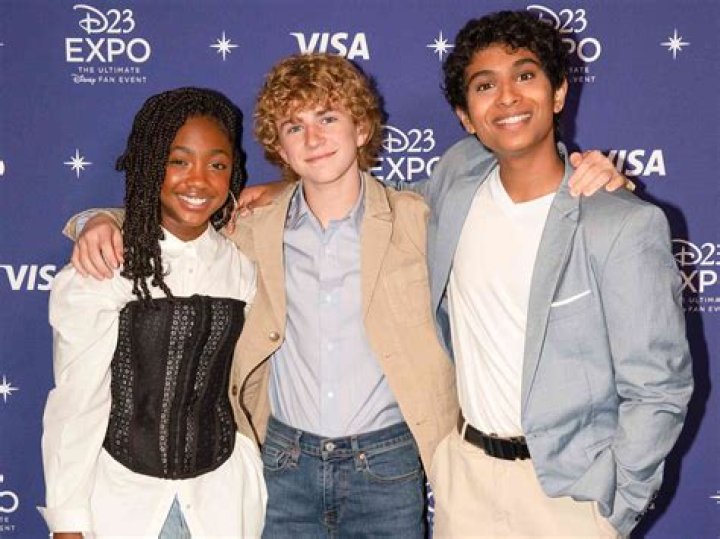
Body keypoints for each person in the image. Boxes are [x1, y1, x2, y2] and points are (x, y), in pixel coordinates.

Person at [62, 54, 459, 538]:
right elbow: (177, 224)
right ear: (279, 148)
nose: (313, 139)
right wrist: (98, 221)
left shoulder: (417, 220)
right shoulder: (250, 230)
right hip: (285, 463)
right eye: (294, 127)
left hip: (387, 464)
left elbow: (488, 179)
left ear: (361, 128)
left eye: (327, 118)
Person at [417, 11, 691, 537]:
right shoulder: (455, 178)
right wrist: (283, 188)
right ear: (465, 117)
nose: (508, 97)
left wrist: (614, 510)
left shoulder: (620, 223)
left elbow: (659, 388)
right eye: (485, 85)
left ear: (559, 92)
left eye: (525, 75)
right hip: (466, 485)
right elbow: (378, 208)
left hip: (570, 498)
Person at [39, 87, 266, 538]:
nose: (198, 181)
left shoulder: (242, 266)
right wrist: (67, 520)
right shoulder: (104, 265)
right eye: (178, 161)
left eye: (217, 165)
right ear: (149, 163)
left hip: (223, 500)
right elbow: (77, 401)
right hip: (122, 503)